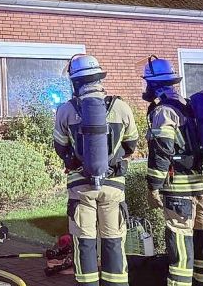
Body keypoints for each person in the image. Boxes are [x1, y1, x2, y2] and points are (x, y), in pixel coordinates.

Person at [54, 54, 141, 285]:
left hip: (80, 189)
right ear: (98, 78)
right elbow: (131, 144)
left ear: (76, 82)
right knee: (113, 240)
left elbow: (60, 147)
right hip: (113, 187)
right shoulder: (121, 107)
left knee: (84, 242)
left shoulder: (66, 110)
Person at [142, 56, 203, 286]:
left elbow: (162, 151)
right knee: (202, 235)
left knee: (180, 241)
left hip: (179, 191)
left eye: (146, 82)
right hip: (200, 186)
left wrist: (153, 187)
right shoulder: (188, 105)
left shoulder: (164, 111)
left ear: (154, 84)